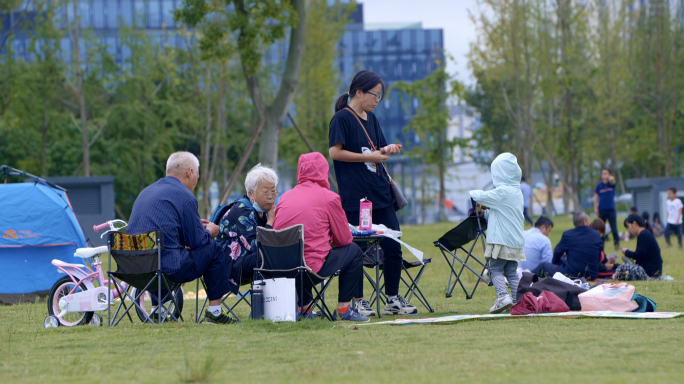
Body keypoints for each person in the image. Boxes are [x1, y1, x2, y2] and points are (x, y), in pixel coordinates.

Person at [328, 70, 416, 317]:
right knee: (355, 249)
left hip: (381, 192)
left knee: (393, 245)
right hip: (355, 197)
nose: (377, 100)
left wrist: (387, 149)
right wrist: (370, 156)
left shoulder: (372, 119)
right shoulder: (341, 119)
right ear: (358, 92)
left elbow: (376, 150)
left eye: (380, 96)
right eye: (374, 95)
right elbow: (334, 153)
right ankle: (358, 300)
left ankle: (392, 299)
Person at [127, 151, 238, 324]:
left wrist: (193, 224)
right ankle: (215, 313)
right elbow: (197, 242)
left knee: (158, 251)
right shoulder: (185, 196)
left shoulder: (146, 192)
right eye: (197, 177)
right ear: (190, 172)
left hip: (132, 267)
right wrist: (210, 231)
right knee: (214, 248)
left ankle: (158, 311)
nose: (196, 182)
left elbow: (166, 232)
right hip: (166, 268)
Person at [273, 152, 369, 322]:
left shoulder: (285, 197)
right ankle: (344, 310)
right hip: (311, 270)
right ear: (324, 171)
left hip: (281, 269)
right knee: (353, 250)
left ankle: (305, 309)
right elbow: (344, 240)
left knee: (300, 251)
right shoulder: (329, 197)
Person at [469, 153, 525, 313]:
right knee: (512, 272)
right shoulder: (516, 192)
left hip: (502, 240)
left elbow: (481, 196)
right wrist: (484, 214)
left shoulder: (502, 192)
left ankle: (502, 296)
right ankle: (516, 302)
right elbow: (498, 213)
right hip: (516, 241)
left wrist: (471, 193)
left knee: (494, 269)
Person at [216, 164, 277, 284]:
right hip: (229, 263)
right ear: (251, 194)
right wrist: (270, 222)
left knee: (279, 255)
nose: (270, 196)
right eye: (265, 192)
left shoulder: (264, 211)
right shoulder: (242, 210)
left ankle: (281, 300)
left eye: (273, 191)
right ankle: (263, 301)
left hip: (247, 260)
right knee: (268, 257)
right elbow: (255, 246)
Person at [532, 212, 602, 280]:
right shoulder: (596, 234)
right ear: (585, 222)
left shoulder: (568, 234)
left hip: (573, 273)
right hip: (592, 274)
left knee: (543, 266)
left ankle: (525, 276)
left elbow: (557, 251)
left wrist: (555, 263)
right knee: (564, 258)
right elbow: (598, 256)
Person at [617, 214, 663, 280]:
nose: (628, 230)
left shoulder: (643, 235)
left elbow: (640, 255)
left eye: (628, 227)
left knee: (621, 267)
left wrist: (627, 252)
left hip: (649, 273)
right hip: (652, 271)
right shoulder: (646, 233)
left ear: (634, 223)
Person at [594, 169, 619, 249]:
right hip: (602, 209)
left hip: (611, 209)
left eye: (605, 173)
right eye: (602, 173)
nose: (604, 175)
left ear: (609, 174)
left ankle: (617, 244)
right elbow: (596, 197)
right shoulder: (599, 185)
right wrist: (595, 207)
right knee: (601, 229)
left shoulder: (611, 184)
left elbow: (613, 181)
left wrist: (611, 178)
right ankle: (601, 245)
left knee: (614, 228)